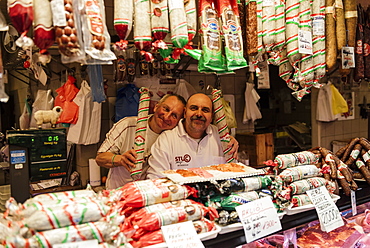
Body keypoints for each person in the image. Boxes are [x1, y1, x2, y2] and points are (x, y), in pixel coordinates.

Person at [96, 94, 186, 189]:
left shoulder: (174, 139)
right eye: (166, 109)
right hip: (118, 192)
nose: (167, 117)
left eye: (174, 115)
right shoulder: (128, 125)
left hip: (150, 193)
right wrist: (120, 159)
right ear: (156, 107)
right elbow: (100, 158)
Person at [147, 93, 238, 178]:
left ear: (211, 117)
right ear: (185, 113)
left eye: (205, 110)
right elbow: (156, 178)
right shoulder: (166, 140)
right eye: (194, 108)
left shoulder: (222, 138)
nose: (199, 114)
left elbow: (234, 173)